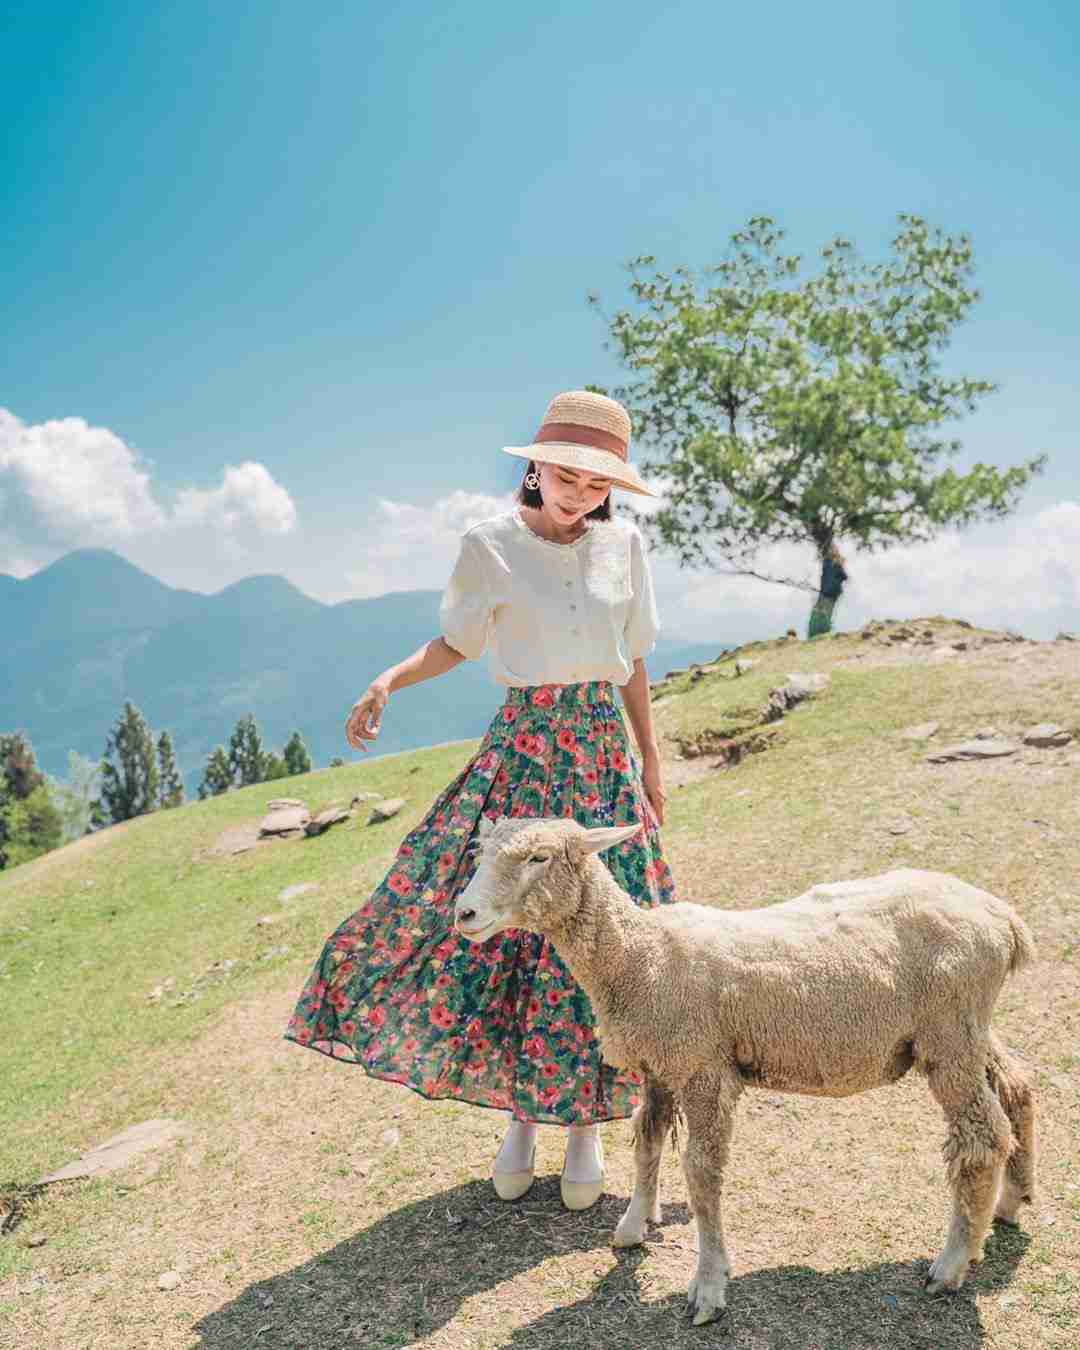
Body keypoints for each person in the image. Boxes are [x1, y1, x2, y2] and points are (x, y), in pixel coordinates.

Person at [284, 390, 677, 1211]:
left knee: (603, 936)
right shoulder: (490, 545)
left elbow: (633, 658)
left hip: (602, 752)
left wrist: (648, 757)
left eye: (597, 482)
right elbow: (458, 643)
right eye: (566, 474)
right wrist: (388, 679)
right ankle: (520, 1122)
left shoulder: (626, 549)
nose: (579, 492)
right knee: (496, 926)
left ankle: (583, 1129)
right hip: (526, 754)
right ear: (534, 467)